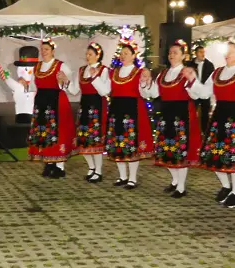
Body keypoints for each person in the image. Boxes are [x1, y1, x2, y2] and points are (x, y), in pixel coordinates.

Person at [187, 38, 235, 208]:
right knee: (215, 153)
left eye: (231, 51)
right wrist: (192, 80)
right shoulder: (217, 72)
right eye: (226, 51)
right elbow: (204, 93)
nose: (227, 54)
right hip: (220, 115)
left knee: (234, 156)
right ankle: (226, 186)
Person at [140, 39, 201, 198]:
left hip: (182, 114)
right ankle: (175, 181)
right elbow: (153, 93)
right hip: (166, 114)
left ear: (184, 56)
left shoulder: (187, 72)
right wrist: (146, 82)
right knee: (166, 149)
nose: (171, 55)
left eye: (175, 52)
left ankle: (181, 187)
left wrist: (191, 80)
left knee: (180, 151)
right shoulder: (163, 73)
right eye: (170, 52)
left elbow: (196, 95)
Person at [106, 38, 154, 189]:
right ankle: (122, 176)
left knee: (132, 144)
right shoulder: (113, 72)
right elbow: (105, 90)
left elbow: (146, 94)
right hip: (116, 109)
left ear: (134, 56)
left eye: (127, 53)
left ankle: (132, 178)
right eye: (122, 53)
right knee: (118, 143)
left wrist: (145, 82)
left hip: (133, 110)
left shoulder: (139, 72)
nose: (123, 56)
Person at [25, 38, 75, 178]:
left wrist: (64, 80)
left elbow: (71, 88)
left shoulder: (61, 66)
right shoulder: (37, 67)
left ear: (53, 51)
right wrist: (25, 84)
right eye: (42, 49)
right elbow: (33, 86)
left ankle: (60, 166)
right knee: (44, 133)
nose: (44, 52)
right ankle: (49, 162)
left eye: (46, 49)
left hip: (56, 102)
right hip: (41, 103)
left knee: (58, 133)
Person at [67, 43, 111, 183]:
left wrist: (95, 77)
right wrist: (65, 82)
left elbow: (105, 91)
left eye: (90, 54)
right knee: (83, 139)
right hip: (84, 107)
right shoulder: (81, 70)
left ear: (98, 56)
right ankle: (91, 167)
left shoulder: (103, 70)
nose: (87, 56)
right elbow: (74, 90)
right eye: (86, 54)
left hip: (97, 107)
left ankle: (98, 171)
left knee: (95, 140)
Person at [188, 46, 215, 132]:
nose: (202, 54)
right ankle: (191, 130)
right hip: (193, 92)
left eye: (203, 52)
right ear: (195, 53)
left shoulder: (209, 65)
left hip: (204, 92)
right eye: (200, 52)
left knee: (205, 113)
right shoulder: (190, 64)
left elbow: (212, 79)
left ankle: (204, 131)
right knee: (191, 111)